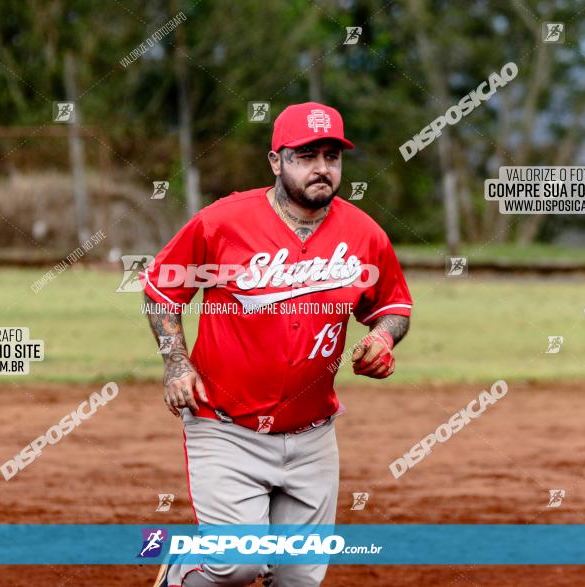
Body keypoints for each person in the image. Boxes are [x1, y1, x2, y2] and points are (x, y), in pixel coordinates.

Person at [143, 102, 412, 586]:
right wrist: (176, 363)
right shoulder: (222, 222)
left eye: (332, 156)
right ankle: (181, 571)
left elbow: (393, 305)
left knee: (298, 581)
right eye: (306, 156)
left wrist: (382, 336)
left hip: (312, 435)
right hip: (225, 424)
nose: (322, 169)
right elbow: (161, 289)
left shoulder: (364, 234)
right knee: (237, 565)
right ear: (276, 161)